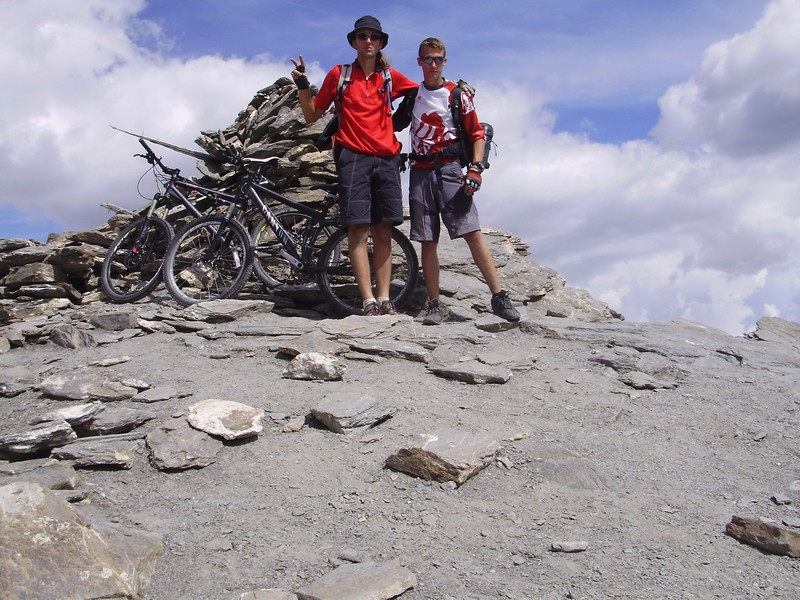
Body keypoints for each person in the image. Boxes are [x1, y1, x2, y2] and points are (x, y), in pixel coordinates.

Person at [290, 16, 417, 316]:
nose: (368, 41)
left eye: (374, 36)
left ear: (381, 42)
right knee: (358, 230)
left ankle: (385, 298)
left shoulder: (390, 77)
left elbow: (417, 92)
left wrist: (400, 118)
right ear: (354, 41)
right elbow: (312, 115)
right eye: (362, 36)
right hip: (354, 158)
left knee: (384, 230)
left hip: (387, 159)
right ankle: (368, 301)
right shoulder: (340, 74)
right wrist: (304, 85)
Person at [405, 37, 520, 325]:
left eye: (438, 59)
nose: (433, 64)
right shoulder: (412, 95)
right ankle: (434, 304)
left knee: (472, 232)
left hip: (450, 170)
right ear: (419, 61)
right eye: (428, 59)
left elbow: (477, 134)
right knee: (427, 240)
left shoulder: (457, 95)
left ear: (445, 61)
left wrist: (476, 170)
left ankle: (499, 296)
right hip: (419, 172)